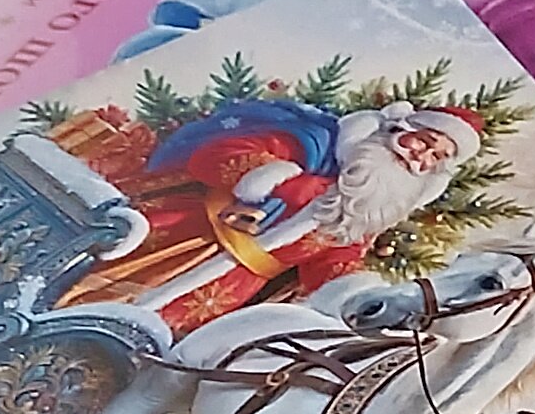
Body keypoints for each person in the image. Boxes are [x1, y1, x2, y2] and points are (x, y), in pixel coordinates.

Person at [64, 94, 485, 331]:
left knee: (140, 334)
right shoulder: (316, 144)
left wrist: (355, 292)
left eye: (436, 156)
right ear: (399, 128)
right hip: (187, 234)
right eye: (423, 141)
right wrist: (286, 182)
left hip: (228, 288)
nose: (421, 156)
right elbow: (218, 154)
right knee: (88, 287)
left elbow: (335, 260)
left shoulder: (371, 208)